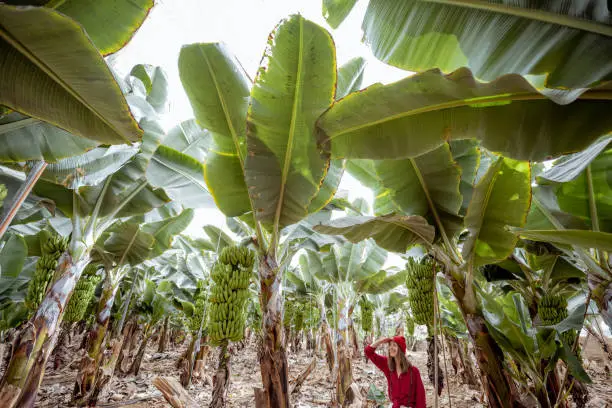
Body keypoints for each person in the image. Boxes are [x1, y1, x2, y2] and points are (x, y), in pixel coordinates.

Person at [365, 336, 426, 408]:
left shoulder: (414, 371)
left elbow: (420, 397)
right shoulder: (387, 366)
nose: (391, 347)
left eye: (394, 345)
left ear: (400, 349)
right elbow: (368, 352)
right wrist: (380, 341)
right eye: (390, 345)